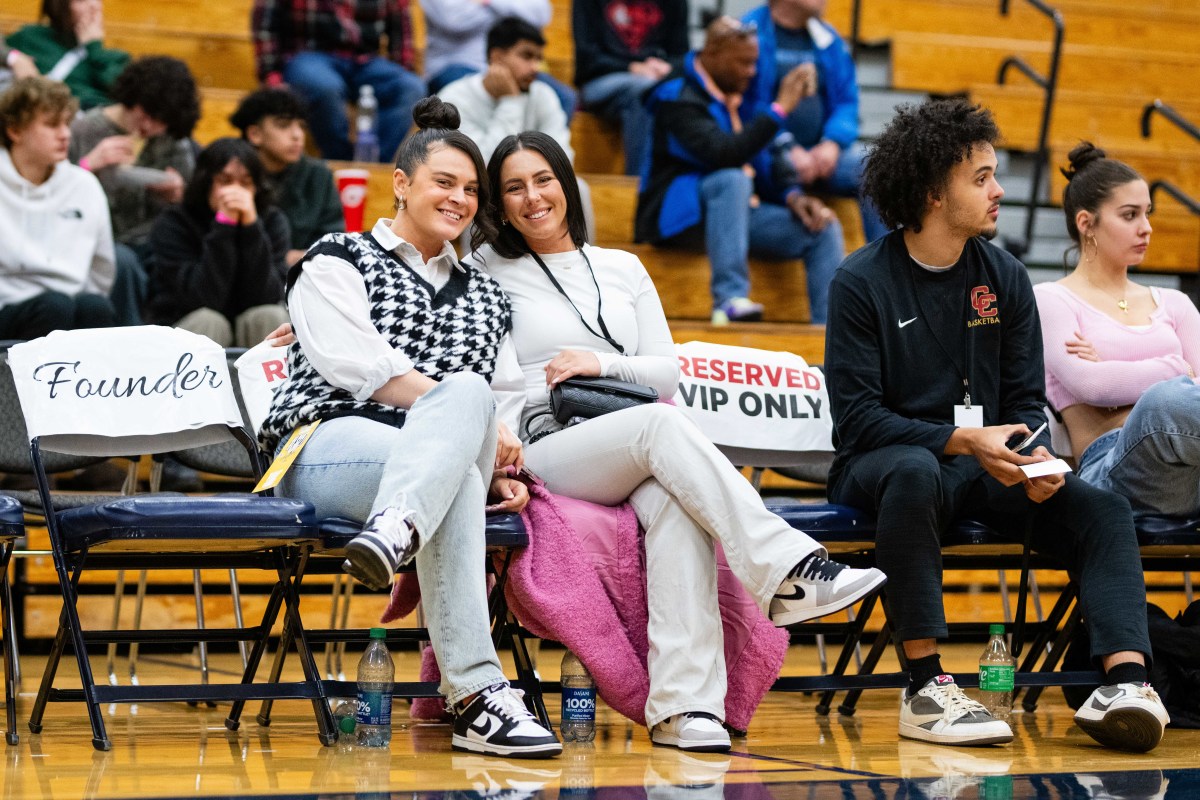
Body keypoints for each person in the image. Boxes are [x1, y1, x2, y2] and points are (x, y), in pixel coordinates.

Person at [471, 130, 886, 753]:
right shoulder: (487, 271)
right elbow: (491, 380)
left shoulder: (622, 267)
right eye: (513, 188)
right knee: (663, 426)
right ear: (499, 205)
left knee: (677, 508)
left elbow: (666, 371)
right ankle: (786, 566)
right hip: (547, 446)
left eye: (543, 179)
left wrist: (601, 365)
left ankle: (685, 707)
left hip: (629, 438)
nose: (533, 197)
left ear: (567, 184)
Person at [824, 99, 1170, 752]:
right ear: (933, 192)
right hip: (883, 466)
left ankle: (1124, 682)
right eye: (980, 177)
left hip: (985, 466)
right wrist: (960, 440)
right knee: (913, 469)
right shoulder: (860, 282)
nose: (998, 190)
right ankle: (925, 686)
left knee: (1100, 510)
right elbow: (860, 420)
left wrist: (1033, 461)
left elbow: (1022, 403)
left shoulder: (1005, 275)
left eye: (995, 174)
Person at [257, 97, 561, 758]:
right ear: (401, 183)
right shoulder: (336, 258)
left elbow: (506, 402)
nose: (459, 199)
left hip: (426, 474)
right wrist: (468, 429)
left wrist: (499, 464)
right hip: (325, 442)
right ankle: (478, 696)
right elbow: (356, 366)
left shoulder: (486, 295)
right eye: (444, 183)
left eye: (472, 191)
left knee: (463, 425)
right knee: (460, 401)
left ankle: (399, 526)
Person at [637, 17, 844, 325]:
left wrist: (791, 195)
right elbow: (723, 153)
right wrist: (780, 109)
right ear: (713, 53)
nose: (752, 71)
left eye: (755, 63)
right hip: (678, 217)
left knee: (822, 227)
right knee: (731, 179)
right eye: (743, 63)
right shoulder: (675, 95)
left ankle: (832, 338)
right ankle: (729, 299)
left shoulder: (737, 91)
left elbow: (763, 150)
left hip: (735, 216)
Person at [1035, 142, 1200, 519]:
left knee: (1170, 400)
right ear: (1086, 223)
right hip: (1109, 467)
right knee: (1163, 403)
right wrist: (1177, 367)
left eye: (1147, 214)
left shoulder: (1174, 303)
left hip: (1193, 470)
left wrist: (1120, 373)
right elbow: (1091, 385)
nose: (1147, 228)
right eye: (1130, 215)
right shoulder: (1050, 300)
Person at [69, 55, 201, 325]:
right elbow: (55, 195)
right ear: (133, 97)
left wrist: (178, 196)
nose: (149, 127)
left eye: (160, 121)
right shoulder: (84, 130)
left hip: (155, 242)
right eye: (147, 114)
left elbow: (193, 202)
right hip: (100, 241)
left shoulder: (173, 140)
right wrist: (88, 165)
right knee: (122, 261)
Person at [741, 0, 888, 242]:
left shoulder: (827, 39)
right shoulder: (749, 33)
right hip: (767, 155)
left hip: (823, 156)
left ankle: (887, 271)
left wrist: (832, 142)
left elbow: (846, 102)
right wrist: (786, 146)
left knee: (875, 167)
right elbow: (746, 109)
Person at [438, 16, 595, 240]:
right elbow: (481, 168)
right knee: (477, 193)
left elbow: (563, 160)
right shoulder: (455, 99)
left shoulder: (543, 96)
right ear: (497, 57)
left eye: (538, 58)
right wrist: (511, 102)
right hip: (479, 190)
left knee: (579, 188)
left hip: (532, 189)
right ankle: (480, 270)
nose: (535, 67)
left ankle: (582, 260)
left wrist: (533, 181)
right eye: (527, 56)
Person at [0, 76, 116, 339]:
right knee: (54, 306)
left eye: (66, 123)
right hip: (8, 308)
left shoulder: (84, 185)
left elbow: (102, 267)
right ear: (15, 130)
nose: (65, 134)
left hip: (66, 302)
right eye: (52, 125)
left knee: (96, 307)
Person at [145, 138, 290, 348]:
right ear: (206, 182)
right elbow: (202, 298)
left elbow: (266, 296)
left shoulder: (272, 221)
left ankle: (274, 382)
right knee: (210, 320)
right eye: (225, 181)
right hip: (187, 323)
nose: (236, 192)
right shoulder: (174, 223)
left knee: (270, 314)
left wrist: (251, 229)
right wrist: (225, 225)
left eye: (246, 183)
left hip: (249, 324)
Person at [250, 0, 426, 162]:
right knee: (325, 87)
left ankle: (373, 164)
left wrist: (404, 68)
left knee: (411, 87)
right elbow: (265, 22)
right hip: (308, 55)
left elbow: (400, 28)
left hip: (364, 60)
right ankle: (339, 162)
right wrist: (271, 74)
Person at [572, 0, 689, 176]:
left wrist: (664, 67)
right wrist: (633, 67)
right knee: (645, 90)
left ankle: (674, 183)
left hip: (656, 79)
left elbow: (681, 56)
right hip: (600, 80)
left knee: (683, 91)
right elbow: (587, 58)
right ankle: (639, 185)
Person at [229, 87, 344, 266]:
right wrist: (280, 259)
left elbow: (333, 245)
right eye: (283, 125)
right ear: (254, 134)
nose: (297, 135)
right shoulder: (229, 173)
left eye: (301, 126)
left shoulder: (318, 175)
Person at [420, 0, 575, 117]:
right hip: (455, 66)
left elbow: (541, 13)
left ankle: (533, 156)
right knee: (480, 99)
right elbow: (454, 19)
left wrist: (489, 2)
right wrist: (511, 8)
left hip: (512, 65)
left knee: (563, 97)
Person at [5, 0, 130, 110]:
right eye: (81, 0)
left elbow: (125, 95)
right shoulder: (30, 37)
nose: (94, 5)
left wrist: (94, 47)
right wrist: (14, 57)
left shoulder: (115, 58)